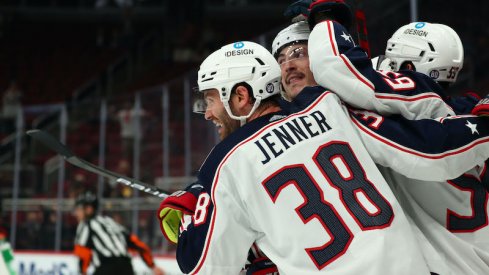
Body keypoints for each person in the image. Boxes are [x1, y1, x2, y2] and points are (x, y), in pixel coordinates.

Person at [157, 40, 489, 274]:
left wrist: (194, 211)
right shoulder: (328, 105)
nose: (207, 113)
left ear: (241, 96)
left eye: (211, 100)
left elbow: (203, 266)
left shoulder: (225, 163)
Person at [280, 1, 489, 273]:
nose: (382, 65)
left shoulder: (420, 94)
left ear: (405, 63)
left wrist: (327, 19)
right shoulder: (459, 112)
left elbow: (341, 71)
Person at [73, 191, 164, 275]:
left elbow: (83, 252)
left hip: (106, 267)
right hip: (126, 267)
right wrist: (153, 266)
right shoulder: (111, 222)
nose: (76, 213)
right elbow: (139, 245)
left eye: (78, 209)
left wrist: (82, 272)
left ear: (89, 209)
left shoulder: (85, 224)